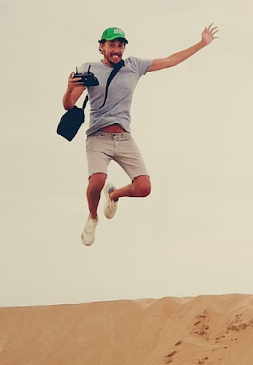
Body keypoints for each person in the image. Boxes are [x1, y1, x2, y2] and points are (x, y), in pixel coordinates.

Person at [62, 23, 218, 247]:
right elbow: (68, 105)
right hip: (98, 137)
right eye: (111, 45)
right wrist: (69, 89)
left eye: (120, 45)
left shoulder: (134, 66)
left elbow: (170, 61)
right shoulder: (89, 70)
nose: (116, 49)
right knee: (97, 181)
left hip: (124, 137)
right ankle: (93, 218)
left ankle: (114, 195)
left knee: (144, 187)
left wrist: (202, 43)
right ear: (101, 47)